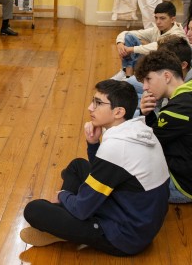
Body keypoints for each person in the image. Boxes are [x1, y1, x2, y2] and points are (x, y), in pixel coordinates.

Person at [20, 80, 169, 256]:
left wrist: (63, 196)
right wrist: (93, 144)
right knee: (78, 165)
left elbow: (83, 209)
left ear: (119, 112)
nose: (91, 107)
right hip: (137, 217)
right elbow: (101, 171)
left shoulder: (117, 147)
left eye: (98, 103)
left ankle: (64, 227)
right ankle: (65, 221)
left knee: (34, 209)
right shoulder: (138, 130)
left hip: (126, 237)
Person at [135, 50, 192, 203]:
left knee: (123, 175)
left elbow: (148, 147)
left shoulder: (176, 111)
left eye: (148, 79)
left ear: (167, 76)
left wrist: (145, 115)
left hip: (183, 187)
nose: (145, 87)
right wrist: (148, 114)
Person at [114, 1, 185, 77]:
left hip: (167, 72)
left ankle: (130, 78)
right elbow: (126, 33)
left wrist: (131, 49)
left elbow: (158, 47)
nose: (158, 22)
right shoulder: (157, 30)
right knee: (128, 37)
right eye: (156, 18)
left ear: (172, 19)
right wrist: (120, 43)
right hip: (155, 64)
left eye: (162, 18)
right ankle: (127, 73)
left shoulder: (178, 34)